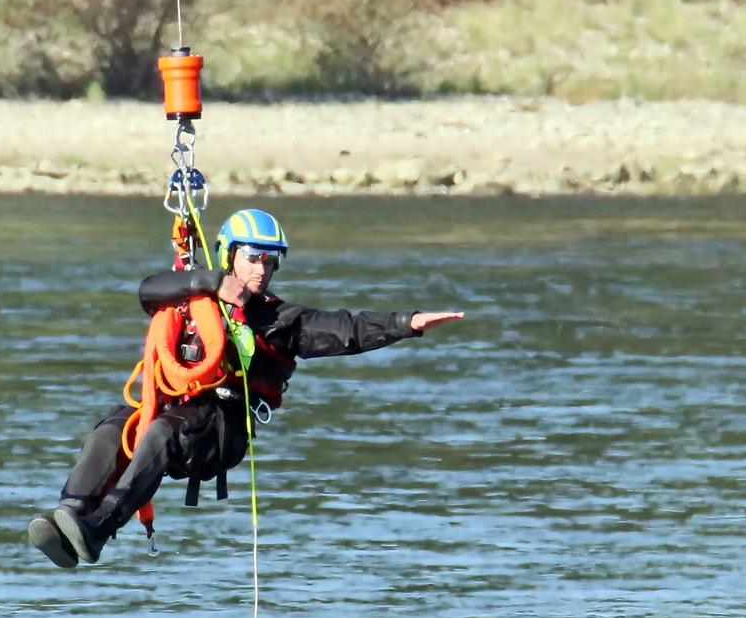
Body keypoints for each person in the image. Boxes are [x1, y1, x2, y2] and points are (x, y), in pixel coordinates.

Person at [28, 208, 463, 567]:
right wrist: (210, 283)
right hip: (171, 404)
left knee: (161, 434)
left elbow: (346, 330)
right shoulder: (191, 294)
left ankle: (99, 529)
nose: (262, 269)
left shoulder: (277, 320)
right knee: (110, 430)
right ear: (230, 256)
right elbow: (148, 290)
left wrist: (407, 323)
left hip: (220, 429)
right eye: (254, 257)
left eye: (270, 261)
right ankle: (72, 514)